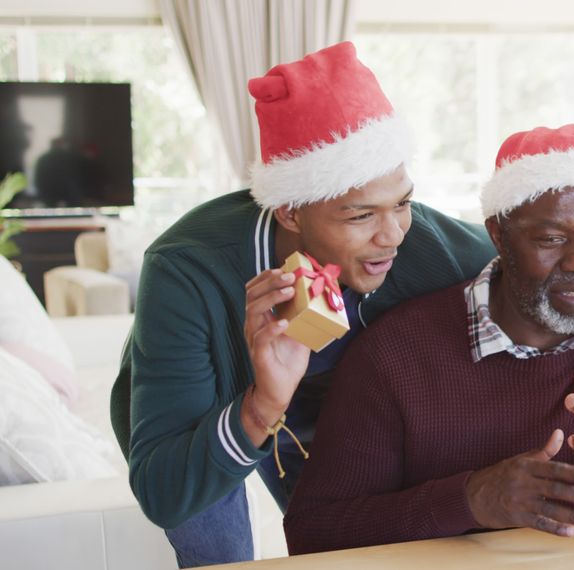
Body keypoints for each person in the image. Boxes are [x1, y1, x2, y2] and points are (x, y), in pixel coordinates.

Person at [283, 118, 574, 554]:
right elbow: (314, 531)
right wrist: (471, 500)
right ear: (498, 234)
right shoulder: (395, 354)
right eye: (552, 239)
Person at [109, 42, 497, 567]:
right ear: (291, 213)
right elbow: (164, 491)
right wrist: (260, 406)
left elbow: (545, 256)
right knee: (220, 553)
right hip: (202, 411)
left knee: (335, 543)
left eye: (402, 202)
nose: (392, 236)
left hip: (329, 400)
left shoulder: (425, 242)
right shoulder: (184, 270)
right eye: (360, 216)